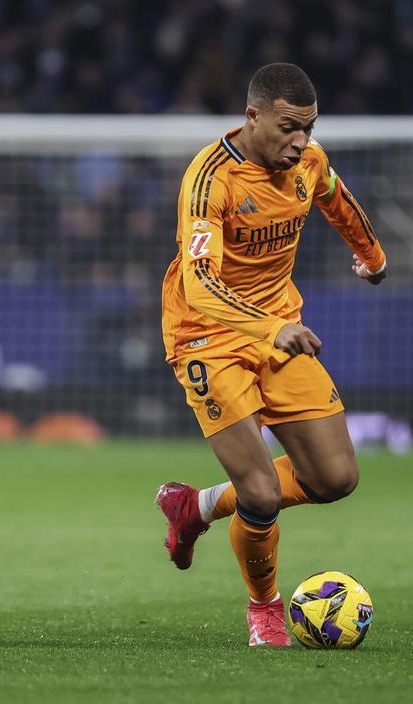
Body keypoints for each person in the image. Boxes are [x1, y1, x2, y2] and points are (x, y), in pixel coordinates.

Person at [155, 62, 388, 647]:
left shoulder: (309, 162)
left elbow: (338, 200)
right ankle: (264, 607)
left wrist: (373, 257)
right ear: (252, 116)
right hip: (207, 337)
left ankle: (196, 507)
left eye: (308, 128)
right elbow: (200, 285)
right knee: (260, 494)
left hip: (278, 329)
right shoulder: (210, 180)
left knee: (335, 478)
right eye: (288, 128)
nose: (300, 141)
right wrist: (269, 328)